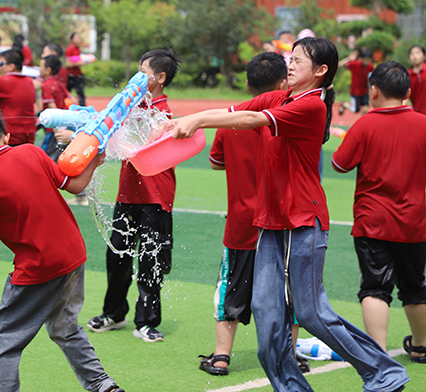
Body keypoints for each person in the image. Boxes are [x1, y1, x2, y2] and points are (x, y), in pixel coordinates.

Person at [171, 37, 409, 392]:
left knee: (312, 313)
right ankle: (292, 388)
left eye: (298, 59)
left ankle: (384, 372)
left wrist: (198, 119)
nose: (290, 64)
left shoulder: (312, 107)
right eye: (290, 58)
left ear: (321, 71)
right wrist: (175, 123)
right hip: (270, 223)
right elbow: (236, 113)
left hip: (304, 221)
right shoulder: (278, 97)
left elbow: (251, 120)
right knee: (266, 315)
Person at [0, 109, 125, 392]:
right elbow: (73, 185)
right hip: (73, 253)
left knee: (5, 335)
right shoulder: (30, 151)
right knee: (65, 326)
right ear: (7, 136)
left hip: (38, 264)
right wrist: (95, 161)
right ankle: (102, 384)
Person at [201, 52, 293, 376]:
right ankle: (288, 356)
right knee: (286, 292)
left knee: (230, 290)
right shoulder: (289, 119)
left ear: (247, 83)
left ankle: (221, 356)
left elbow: (216, 161)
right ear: (284, 82)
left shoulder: (232, 121)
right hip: (283, 223)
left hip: (242, 222)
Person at [331, 61, 426, 363]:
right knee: (414, 285)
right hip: (415, 220)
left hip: (373, 221)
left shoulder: (365, 124)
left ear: (372, 91)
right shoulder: (423, 123)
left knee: (375, 287)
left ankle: (378, 353)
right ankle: (421, 346)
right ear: (408, 92)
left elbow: (340, 164)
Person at [87, 49, 179, 343]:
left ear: (160, 78)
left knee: (151, 260)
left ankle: (148, 321)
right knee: (117, 255)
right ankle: (114, 312)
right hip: (128, 194)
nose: (137, 78)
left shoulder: (164, 115)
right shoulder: (128, 106)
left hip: (156, 197)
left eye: (144, 73)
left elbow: (144, 146)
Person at [39, 54, 71, 161]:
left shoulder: (47, 85)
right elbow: (72, 99)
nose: (39, 69)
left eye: (40, 67)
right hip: (63, 123)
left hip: (54, 127)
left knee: (45, 156)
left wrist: (57, 127)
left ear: (48, 70)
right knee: (58, 154)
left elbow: (52, 107)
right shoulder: (59, 83)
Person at [338, 48, 373, 115]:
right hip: (355, 91)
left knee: (365, 108)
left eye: (369, 59)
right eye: (365, 59)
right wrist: (349, 58)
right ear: (361, 58)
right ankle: (344, 104)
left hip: (364, 90)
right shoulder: (355, 64)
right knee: (355, 110)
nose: (367, 61)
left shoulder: (370, 66)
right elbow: (340, 64)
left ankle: (362, 124)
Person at [65, 32, 86, 106]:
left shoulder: (79, 49)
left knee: (81, 94)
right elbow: (68, 64)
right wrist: (79, 63)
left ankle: (84, 110)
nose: (79, 39)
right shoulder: (69, 49)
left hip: (78, 75)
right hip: (70, 76)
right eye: (77, 37)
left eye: (79, 38)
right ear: (72, 39)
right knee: (66, 93)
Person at [408, 45, 426, 114]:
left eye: (418, 53)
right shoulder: (407, 75)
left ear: (424, 56)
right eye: (412, 54)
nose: (415, 56)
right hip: (417, 114)